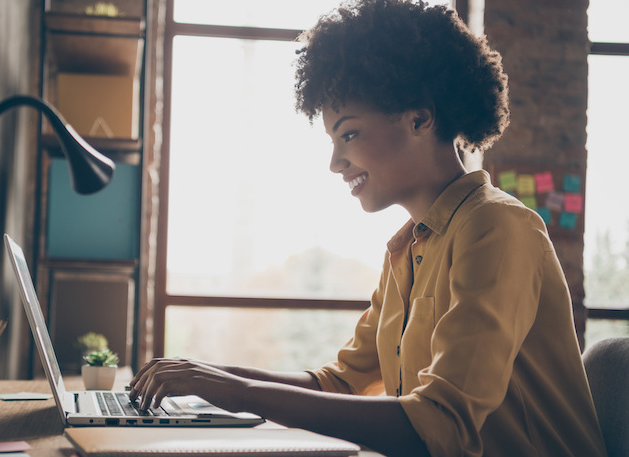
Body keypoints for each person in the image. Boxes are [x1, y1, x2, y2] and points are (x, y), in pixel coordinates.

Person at [128, 1, 608, 456]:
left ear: (420, 118)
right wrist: (211, 377)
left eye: (349, 134)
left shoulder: (498, 228)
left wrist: (241, 392)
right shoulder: (409, 247)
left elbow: (441, 427)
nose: (336, 162)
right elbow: (339, 383)